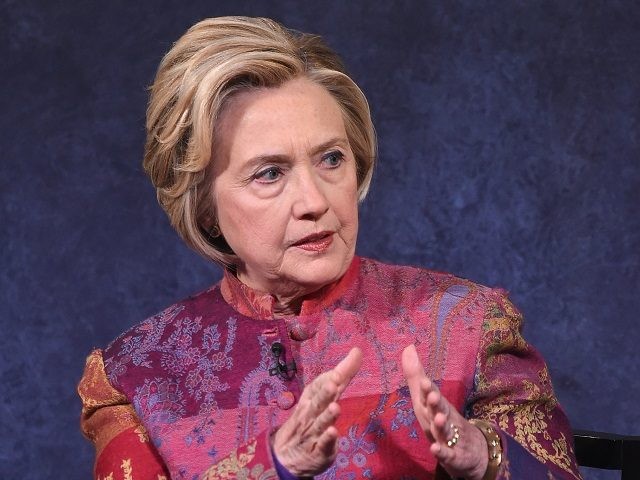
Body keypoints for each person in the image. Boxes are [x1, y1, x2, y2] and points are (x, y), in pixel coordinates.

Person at [78, 16, 582, 480]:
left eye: (331, 159)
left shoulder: (470, 322)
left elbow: (557, 470)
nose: (315, 201)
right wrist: (272, 462)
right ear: (204, 205)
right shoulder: (135, 372)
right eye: (270, 174)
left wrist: (483, 456)